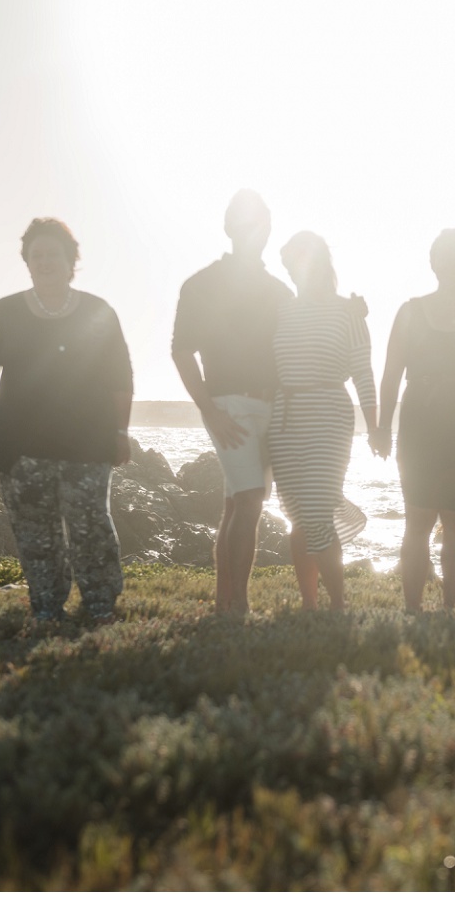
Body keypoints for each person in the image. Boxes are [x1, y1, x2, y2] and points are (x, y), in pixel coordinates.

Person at [0, 218, 133, 624]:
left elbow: (120, 377)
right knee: (37, 534)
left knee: (91, 527)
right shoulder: (6, 312)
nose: (46, 261)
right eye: (37, 255)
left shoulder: (99, 312)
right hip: (22, 445)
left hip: (88, 443)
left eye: (54, 253)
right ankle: (47, 607)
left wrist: (121, 432)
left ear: (71, 261)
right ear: (27, 263)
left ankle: (100, 604)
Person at [171, 190, 293, 615]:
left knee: (234, 504)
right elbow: (182, 352)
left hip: (273, 408)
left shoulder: (280, 292)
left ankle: (224, 603)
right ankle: (237, 605)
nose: (252, 232)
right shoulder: (201, 285)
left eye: (260, 223)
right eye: (244, 224)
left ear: (268, 229)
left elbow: (294, 353)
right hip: (229, 407)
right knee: (251, 502)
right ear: (229, 229)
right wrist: (209, 410)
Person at [372, 229, 455, 613]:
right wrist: (381, 427)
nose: (450, 265)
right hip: (420, 423)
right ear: (433, 263)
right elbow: (391, 374)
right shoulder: (410, 311)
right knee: (417, 520)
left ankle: (450, 605)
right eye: (443, 257)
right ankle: (412, 607)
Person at [268, 231, 379, 612]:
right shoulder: (282, 310)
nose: (295, 272)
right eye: (288, 266)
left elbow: (364, 373)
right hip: (284, 417)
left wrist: (376, 427)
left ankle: (337, 604)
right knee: (298, 514)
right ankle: (310, 604)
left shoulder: (347, 312)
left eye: (298, 262)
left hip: (329, 413)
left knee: (316, 509)